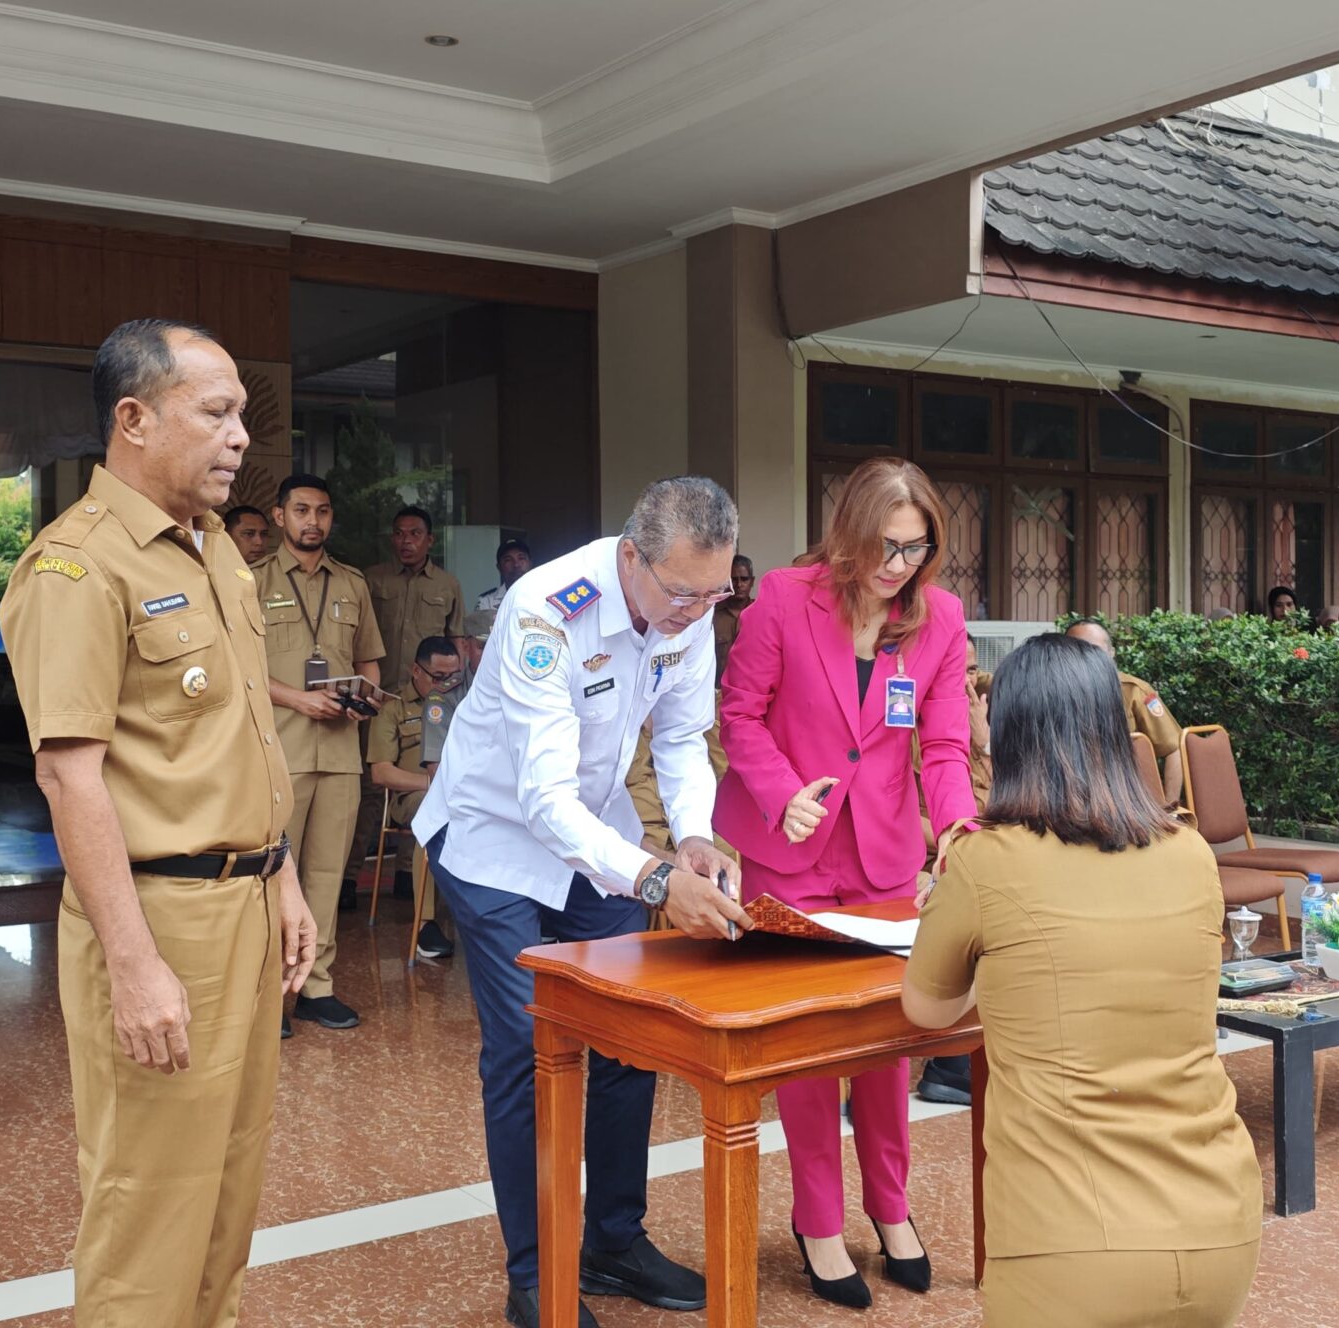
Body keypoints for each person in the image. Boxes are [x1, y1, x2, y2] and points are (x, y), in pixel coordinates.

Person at [0, 318, 314, 1327]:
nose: (239, 438)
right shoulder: (77, 567)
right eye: (215, 413)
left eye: (242, 416)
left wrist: (282, 876)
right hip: (158, 916)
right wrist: (133, 966)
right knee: (151, 1200)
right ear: (133, 420)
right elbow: (70, 779)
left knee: (227, 1183)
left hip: (245, 903)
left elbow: (242, 736)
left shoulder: (217, 551)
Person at [420, 475, 753, 1328]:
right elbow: (542, 799)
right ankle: (537, 1273)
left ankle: (611, 1240)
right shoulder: (546, 608)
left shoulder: (689, 602)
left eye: (714, 594)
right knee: (525, 1049)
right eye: (683, 594)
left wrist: (693, 835)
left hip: (596, 840)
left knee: (629, 1038)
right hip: (495, 839)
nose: (696, 612)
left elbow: (681, 735)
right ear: (632, 557)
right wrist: (656, 881)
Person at [904, 634, 1261, 1328]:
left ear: (1009, 735)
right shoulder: (1190, 853)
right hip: (1220, 1222)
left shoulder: (983, 860)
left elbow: (929, 1010)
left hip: (1069, 1241)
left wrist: (961, 929)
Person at [712, 455, 971, 1307]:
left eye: (916, 548)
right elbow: (739, 714)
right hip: (791, 852)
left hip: (883, 855)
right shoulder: (785, 599)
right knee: (813, 1048)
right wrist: (782, 793)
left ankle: (891, 1207)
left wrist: (958, 828)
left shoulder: (939, 619)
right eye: (887, 547)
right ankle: (818, 1221)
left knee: (887, 1043)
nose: (900, 565)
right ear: (851, 535)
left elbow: (942, 744)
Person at [255, 472, 385, 1031]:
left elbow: (369, 660)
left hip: (338, 754)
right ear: (279, 516)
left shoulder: (352, 583)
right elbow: (239, 669)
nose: (314, 521)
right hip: (278, 752)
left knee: (327, 875)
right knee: (270, 875)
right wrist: (300, 700)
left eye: (323, 511)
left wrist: (366, 699)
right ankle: (269, 994)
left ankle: (316, 986)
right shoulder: (250, 580)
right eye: (302, 510)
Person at [364, 635, 465, 962]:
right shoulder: (393, 709)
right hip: (412, 797)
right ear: (416, 671)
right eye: (438, 677)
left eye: (453, 676)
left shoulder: (466, 703)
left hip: (464, 796)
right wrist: (432, 784)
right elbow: (381, 772)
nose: (446, 684)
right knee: (432, 812)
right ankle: (425, 924)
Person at [368, 506, 465, 702]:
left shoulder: (447, 584)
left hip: (429, 694)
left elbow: (456, 639)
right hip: (379, 692)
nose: (406, 541)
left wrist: (457, 690)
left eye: (415, 533)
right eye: (399, 534)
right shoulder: (372, 579)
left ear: (430, 540)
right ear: (392, 539)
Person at [1066, 618, 1181, 764]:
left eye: (1095, 650)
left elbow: (1174, 749)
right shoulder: (1049, 693)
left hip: (1124, 776)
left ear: (1111, 653)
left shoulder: (1134, 691)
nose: (1087, 657)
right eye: (1076, 650)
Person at [466, 537, 537, 646]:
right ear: (499, 567)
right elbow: (480, 643)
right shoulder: (486, 602)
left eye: (521, 558)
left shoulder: (545, 598)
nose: (516, 564)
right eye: (508, 560)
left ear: (530, 563)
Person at [712, 553, 755, 681]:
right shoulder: (710, 615)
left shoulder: (762, 614)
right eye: (733, 579)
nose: (739, 584)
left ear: (752, 581)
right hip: (716, 688)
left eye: (744, 579)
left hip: (750, 687)